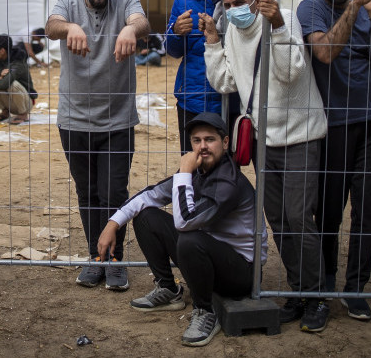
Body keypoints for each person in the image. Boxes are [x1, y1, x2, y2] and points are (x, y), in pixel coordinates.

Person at [200, 0, 327, 332]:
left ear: (257, 0)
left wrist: (279, 27)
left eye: (239, 3)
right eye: (227, 5)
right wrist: (212, 41)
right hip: (261, 141)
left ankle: (317, 296)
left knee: (299, 217)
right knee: (278, 219)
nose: (233, 10)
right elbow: (225, 81)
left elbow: (289, 73)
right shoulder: (231, 32)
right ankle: (299, 292)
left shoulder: (282, 18)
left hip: (300, 136)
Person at [97, 113, 266, 347]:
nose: (202, 146)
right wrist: (112, 224)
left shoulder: (229, 182)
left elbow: (184, 222)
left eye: (210, 139)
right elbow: (151, 195)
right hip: (207, 254)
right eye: (196, 140)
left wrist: (184, 174)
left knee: (189, 239)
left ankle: (206, 311)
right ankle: (168, 289)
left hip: (240, 272)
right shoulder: (198, 170)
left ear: (225, 143)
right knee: (145, 216)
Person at [296, 0, 371, 326]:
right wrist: (355, 6)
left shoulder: (370, 11)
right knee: (329, 211)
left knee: (368, 212)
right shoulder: (311, 9)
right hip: (331, 125)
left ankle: (356, 288)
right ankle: (325, 284)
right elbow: (325, 53)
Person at [46, 0, 150, 290]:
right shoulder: (68, 3)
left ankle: (115, 258)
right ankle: (95, 256)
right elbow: (51, 26)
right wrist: (70, 26)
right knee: (87, 193)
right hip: (74, 120)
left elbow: (142, 21)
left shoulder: (126, 0)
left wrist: (131, 30)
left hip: (118, 121)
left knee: (113, 192)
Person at [166, 0, 245, 153]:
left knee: (229, 168)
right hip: (194, 99)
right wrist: (176, 33)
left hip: (235, 98)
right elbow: (172, 51)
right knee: (193, 164)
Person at [0, 35, 34, 124]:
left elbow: (4, 84)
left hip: (26, 103)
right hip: (11, 103)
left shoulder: (17, 64)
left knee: (12, 84)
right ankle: (5, 111)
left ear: (2, 51)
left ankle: (23, 114)